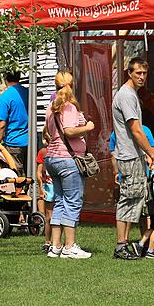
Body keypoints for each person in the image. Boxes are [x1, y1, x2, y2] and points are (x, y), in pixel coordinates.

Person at [112, 57, 154, 260]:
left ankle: (136, 244)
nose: (142, 77)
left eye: (144, 73)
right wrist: (153, 155)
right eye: (138, 73)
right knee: (128, 200)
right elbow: (135, 130)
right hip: (129, 156)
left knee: (138, 201)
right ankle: (121, 245)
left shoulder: (131, 94)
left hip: (134, 155)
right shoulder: (126, 95)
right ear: (129, 73)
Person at [43, 71, 94, 259]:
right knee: (73, 201)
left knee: (59, 201)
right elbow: (70, 131)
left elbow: (50, 133)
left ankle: (55, 246)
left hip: (52, 159)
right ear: (71, 85)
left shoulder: (51, 106)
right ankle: (70, 246)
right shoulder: (69, 107)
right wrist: (87, 127)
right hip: (68, 160)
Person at [0, 71, 29, 175]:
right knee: (30, 175)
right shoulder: (28, 92)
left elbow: (1, 125)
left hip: (13, 142)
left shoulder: (5, 96)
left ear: (5, 78)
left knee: (15, 176)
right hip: (30, 141)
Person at [35, 143, 54, 253]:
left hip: (59, 186)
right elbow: (39, 172)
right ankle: (47, 242)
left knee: (60, 216)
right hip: (49, 187)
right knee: (49, 217)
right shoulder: (43, 152)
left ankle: (59, 242)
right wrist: (41, 188)